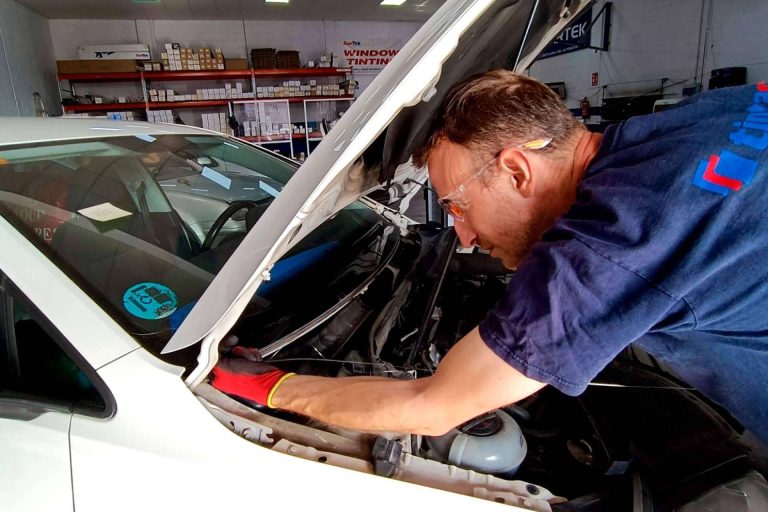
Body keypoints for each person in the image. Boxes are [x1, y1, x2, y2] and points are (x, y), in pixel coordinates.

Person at [212, 69, 768, 445]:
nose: (465, 236)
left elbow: (434, 405)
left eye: (456, 205)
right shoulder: (706, 116)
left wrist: (269, 386)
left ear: (517, 170)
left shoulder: (609, 249)